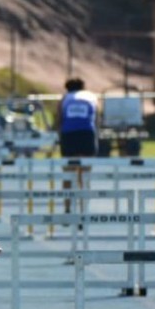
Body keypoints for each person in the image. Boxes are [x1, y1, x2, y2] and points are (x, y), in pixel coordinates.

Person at [56, 77, 98, 212]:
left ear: (67, 88)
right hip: (87, 134)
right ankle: (83, 209)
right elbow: (97, 119)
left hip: (69, 135)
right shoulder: (91, 97)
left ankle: (67, 207)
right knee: (84, 175)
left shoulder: (65, 98)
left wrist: (59, 138)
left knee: (68, 173)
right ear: (83, 87)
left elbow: (59, 119)